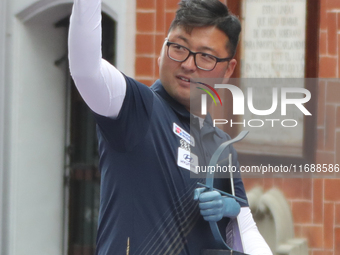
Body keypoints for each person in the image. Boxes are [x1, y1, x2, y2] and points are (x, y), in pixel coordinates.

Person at [68, 0, 273, 254]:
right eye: (178, 48)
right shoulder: (136, 108)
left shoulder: (221, 145)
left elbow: (246, 227)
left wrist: (229, 209)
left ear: (227, 69)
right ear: (162, 49)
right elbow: (86, 71)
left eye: (205, 57)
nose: (188, 64)